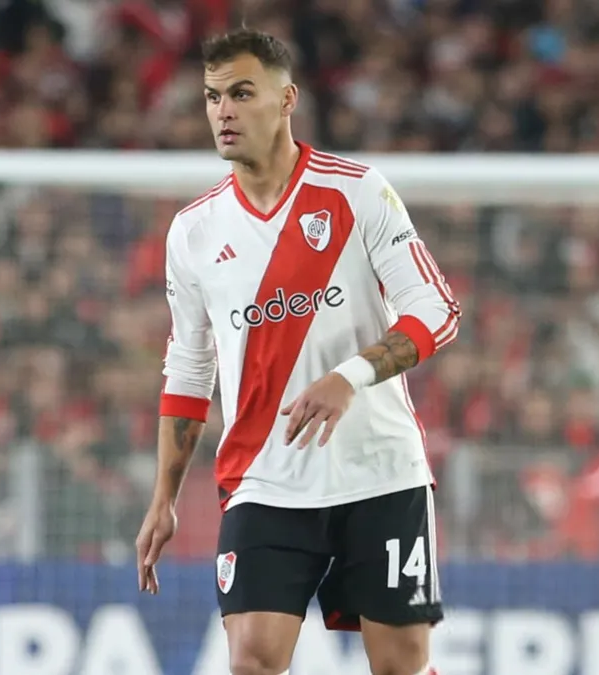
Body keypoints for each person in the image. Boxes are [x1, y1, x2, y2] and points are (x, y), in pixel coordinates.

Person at [134, 29, 460, 675]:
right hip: (265, 477)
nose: (223, 111)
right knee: (252, 660)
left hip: (380, 471)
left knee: (401, 665)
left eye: (241, 93)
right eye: (212, 96)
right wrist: (163, 495)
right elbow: (189, 367)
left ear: (287, 100)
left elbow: (437, 308)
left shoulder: (356, 191)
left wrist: (350, 376)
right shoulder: (193, 231)